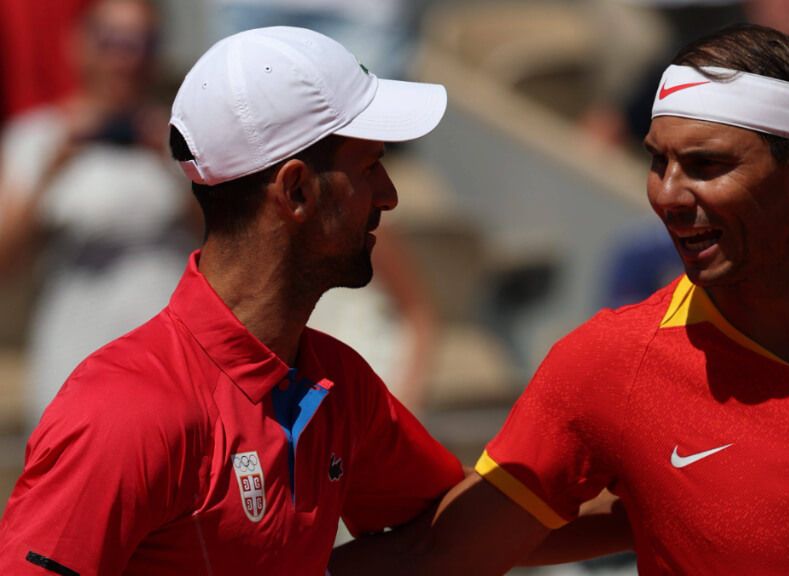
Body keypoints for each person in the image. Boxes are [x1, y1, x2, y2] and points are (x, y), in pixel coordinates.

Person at [332, 24, 789, 575]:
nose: (666, 194)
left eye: (705, 165)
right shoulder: (606, 364)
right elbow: (440, 554)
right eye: (657, 161)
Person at [0, 26, 464, 575]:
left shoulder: (338, 382)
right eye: (369, 167)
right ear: (296, 190)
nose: (389, 194)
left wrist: (553, 430)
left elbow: (454, 534)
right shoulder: (124, 411)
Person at [0, 0, 199, 427]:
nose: (126, 58)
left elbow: (229, 240)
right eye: (112, 41)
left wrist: (170, 169)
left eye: (143, 43)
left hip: (171, 364)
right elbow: (6, 259)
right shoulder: (36, 136)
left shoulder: (186, 134)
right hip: (73, 359)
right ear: (78, 45)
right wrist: (52, 170)